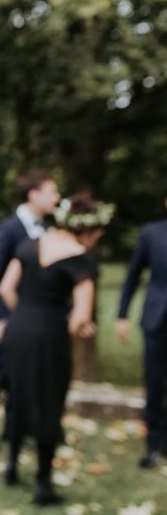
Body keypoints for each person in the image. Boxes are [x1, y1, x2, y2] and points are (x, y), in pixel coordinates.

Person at [0, 194, 113, 506]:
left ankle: (10, 466)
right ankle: (43, 484)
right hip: (49, 336)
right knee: (49, 400)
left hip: (18, 329)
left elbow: (6, 288)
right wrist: (82, 327)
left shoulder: (31, 245)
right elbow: (80, 318)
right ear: (87, 230)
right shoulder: (81, 259)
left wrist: (23, 315)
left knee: (19, 395)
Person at [0, 171, 61, 450]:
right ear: (33, 194)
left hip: (33, 320)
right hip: (9, 317)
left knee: (22, 377)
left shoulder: (48, 231)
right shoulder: (8, 229)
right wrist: (2, 317)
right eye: (52, 191)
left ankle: (16, 431)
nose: (57, 198)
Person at [115, 198, 167, 470]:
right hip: (157, 319)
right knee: (155, 383)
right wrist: (122, 315)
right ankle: (153, 446)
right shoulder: (152, 233)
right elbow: (133, 275)